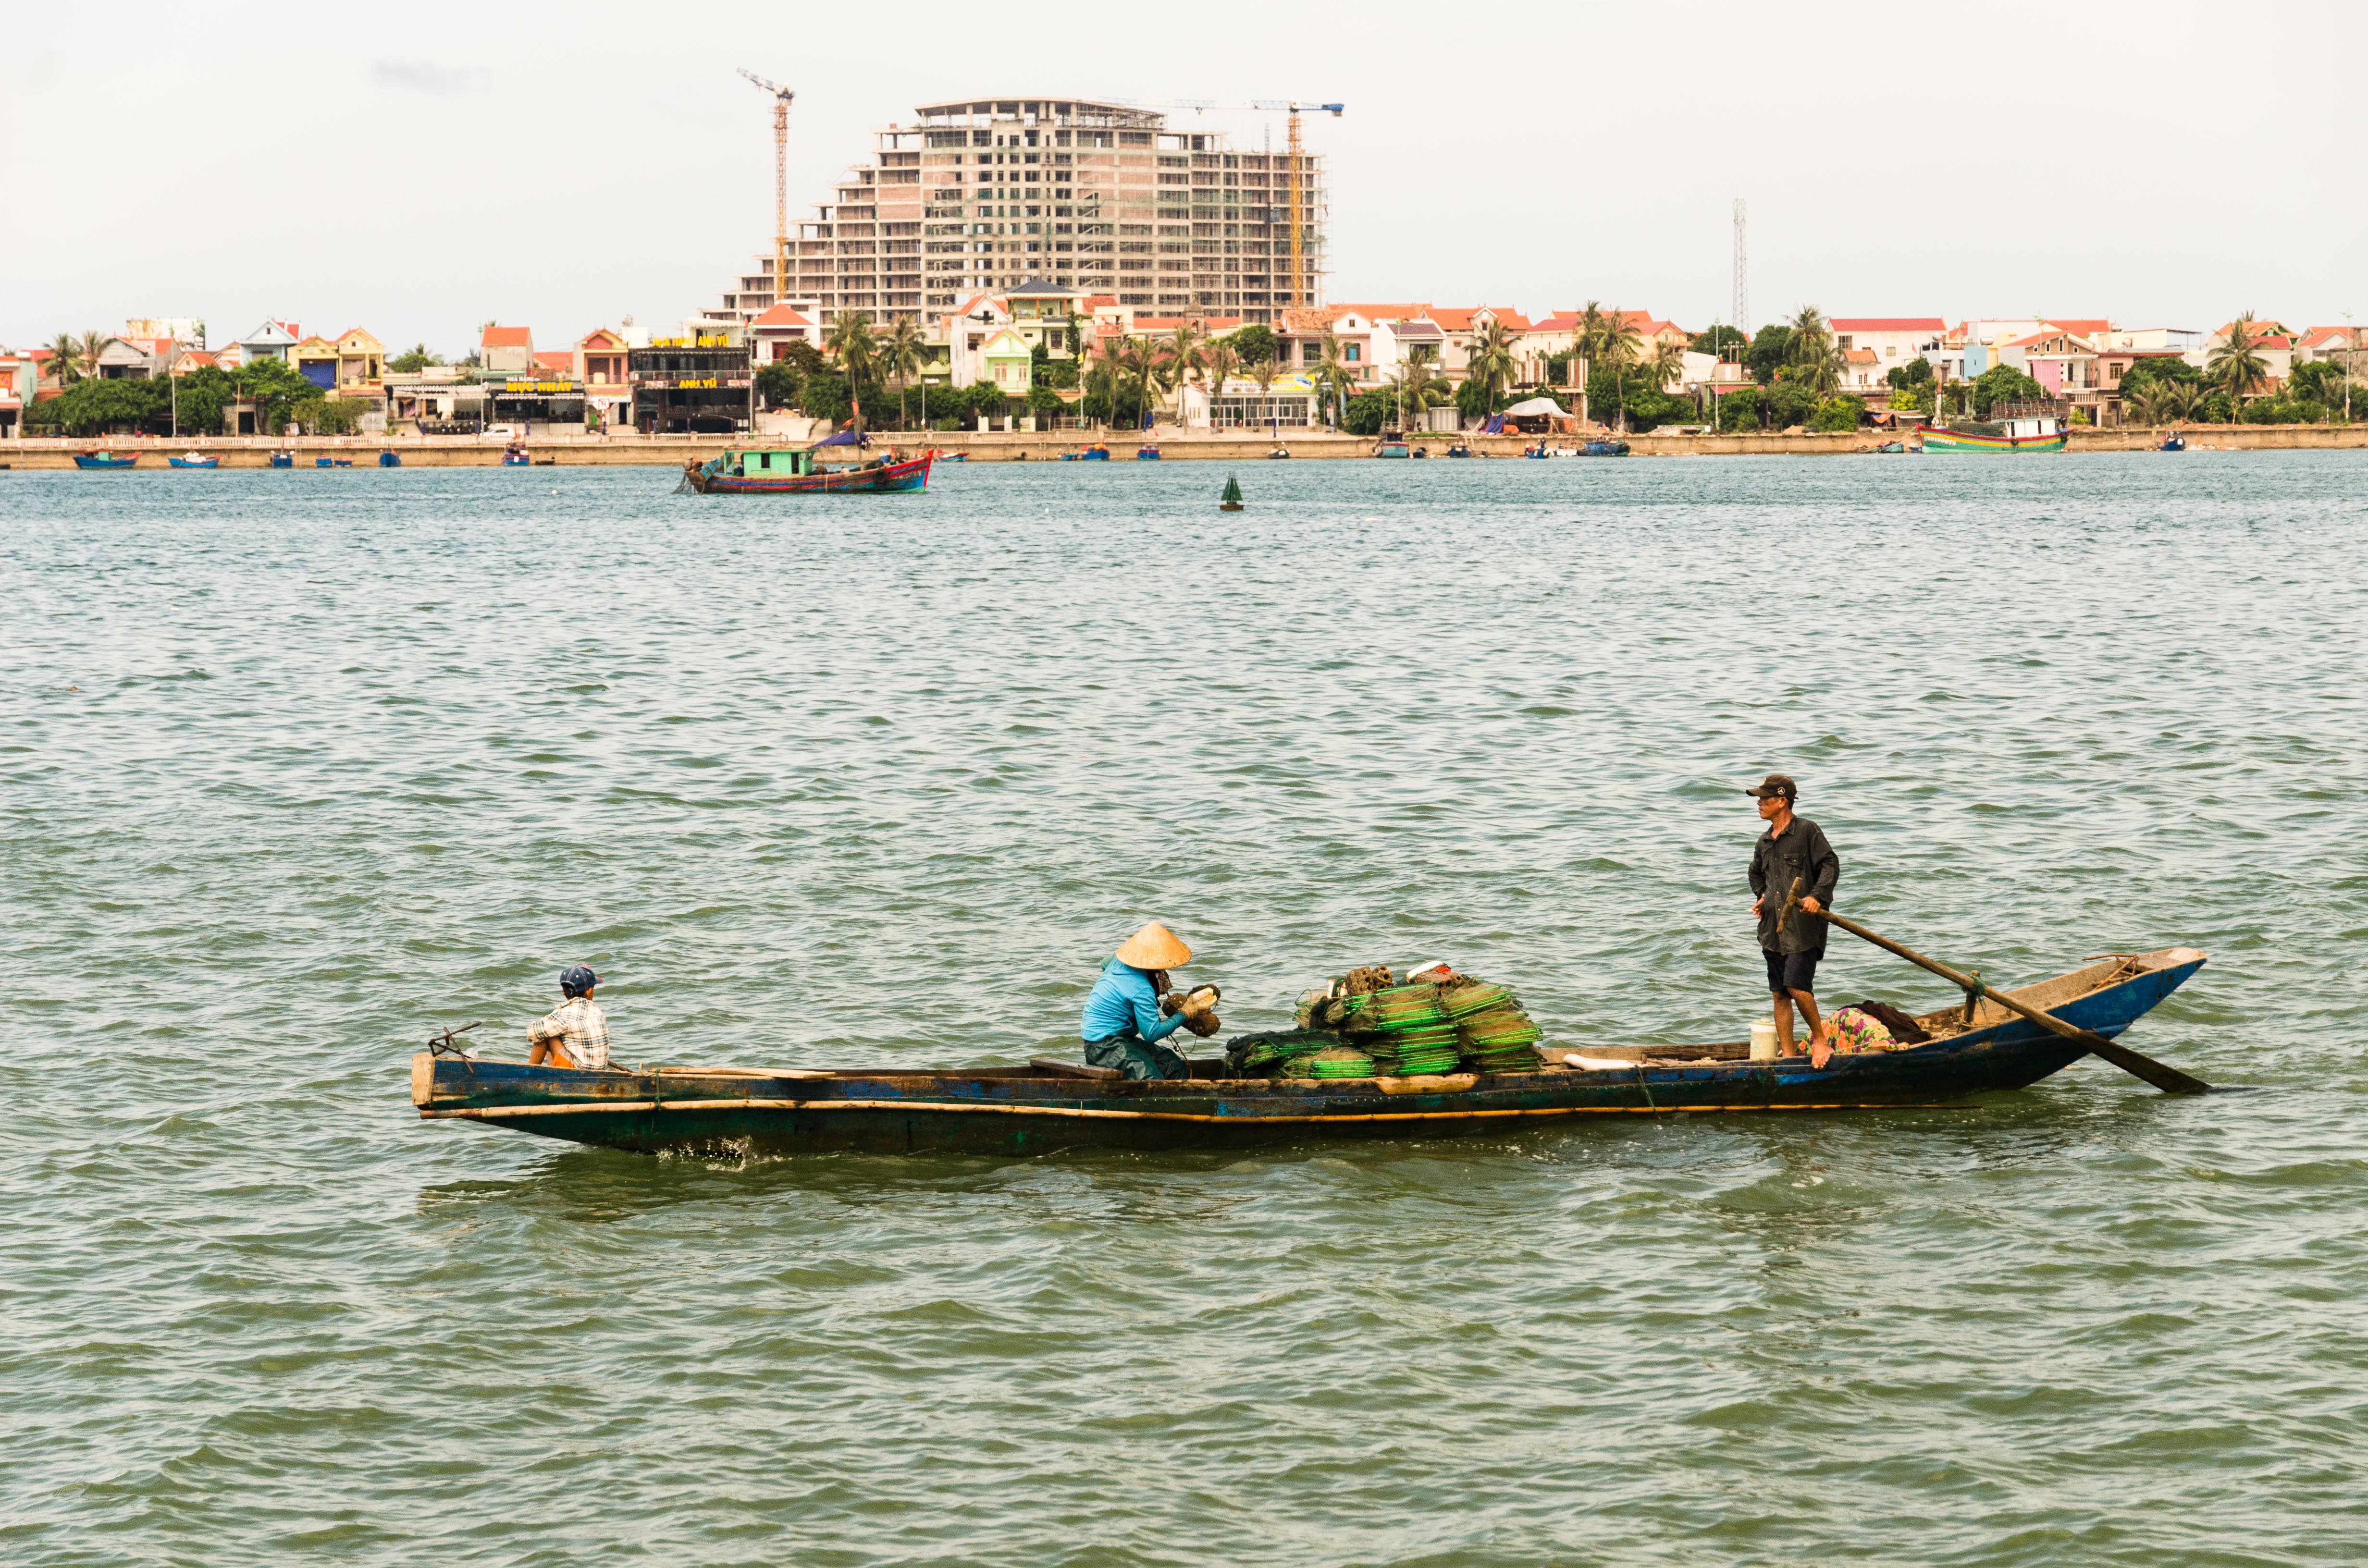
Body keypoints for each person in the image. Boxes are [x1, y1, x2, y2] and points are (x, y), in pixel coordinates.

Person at [1744, 774, 1841, 1067]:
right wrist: (1763, 896)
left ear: (1782, 801)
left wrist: (1817, 896)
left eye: (1764, 798)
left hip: (1802, 928)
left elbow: (1830, 864)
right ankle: (1788, 1055)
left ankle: (1820, 1041)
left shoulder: (1807, 831)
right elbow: (1755, 873)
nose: (1759, 803)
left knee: (1798, 987)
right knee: (1780, 993)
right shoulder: (1764, 841)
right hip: (1773, 929)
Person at [1080, 921, 1197, 1081]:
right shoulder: (1142, 989)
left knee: (1174, 1065)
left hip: (1123, 1038)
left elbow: (1104, 964)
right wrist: (1183, 1015)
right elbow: (1152, 1034)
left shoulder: (1118, 960)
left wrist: (1117, 994)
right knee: (1152, 1080)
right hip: (1102, 1045)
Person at [528, 964, 612, 1070]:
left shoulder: (566, 1014)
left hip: (579, 1071)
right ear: (589, 991)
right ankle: (554, 1072)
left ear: (563, 991)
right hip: (599, 1069)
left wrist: (544, 1022)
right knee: (553, 1032)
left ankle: (528, 1074)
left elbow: (532, 1033)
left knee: (545, 1035)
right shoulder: (596, 1010)